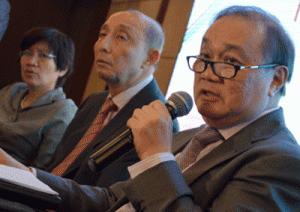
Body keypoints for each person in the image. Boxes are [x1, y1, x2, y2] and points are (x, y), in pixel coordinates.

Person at [3, 5, 299, 211]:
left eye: (231, 62)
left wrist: (157, 158)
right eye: (205, 56)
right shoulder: (194, 137)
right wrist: (17, 172)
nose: (208, 72)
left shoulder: (281, 162)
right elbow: (110, 200)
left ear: (276, 79)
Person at [38, 9, 179, 187]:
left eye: (121, 37)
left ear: (150, 58)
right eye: (102, 34)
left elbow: (105, 195)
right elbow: (57, 165)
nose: (103, 45)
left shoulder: (157, 122)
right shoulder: (95, 101)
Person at [0, 27, 77, 170]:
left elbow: (42, 174)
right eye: (27, 53)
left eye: (43, 56)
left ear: (63, 68)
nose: (31, 62)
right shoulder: (11, 91)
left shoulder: (63, 111)